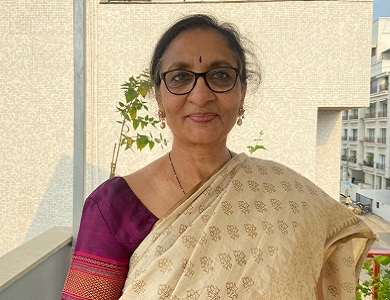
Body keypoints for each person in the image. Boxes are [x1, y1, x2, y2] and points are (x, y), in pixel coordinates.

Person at [62, 14, 375, 300]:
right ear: (159, 96)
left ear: (242, 92)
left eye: (221, 75)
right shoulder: (113, 206)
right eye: (181, 77)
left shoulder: (291, 199)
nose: (200, 96)